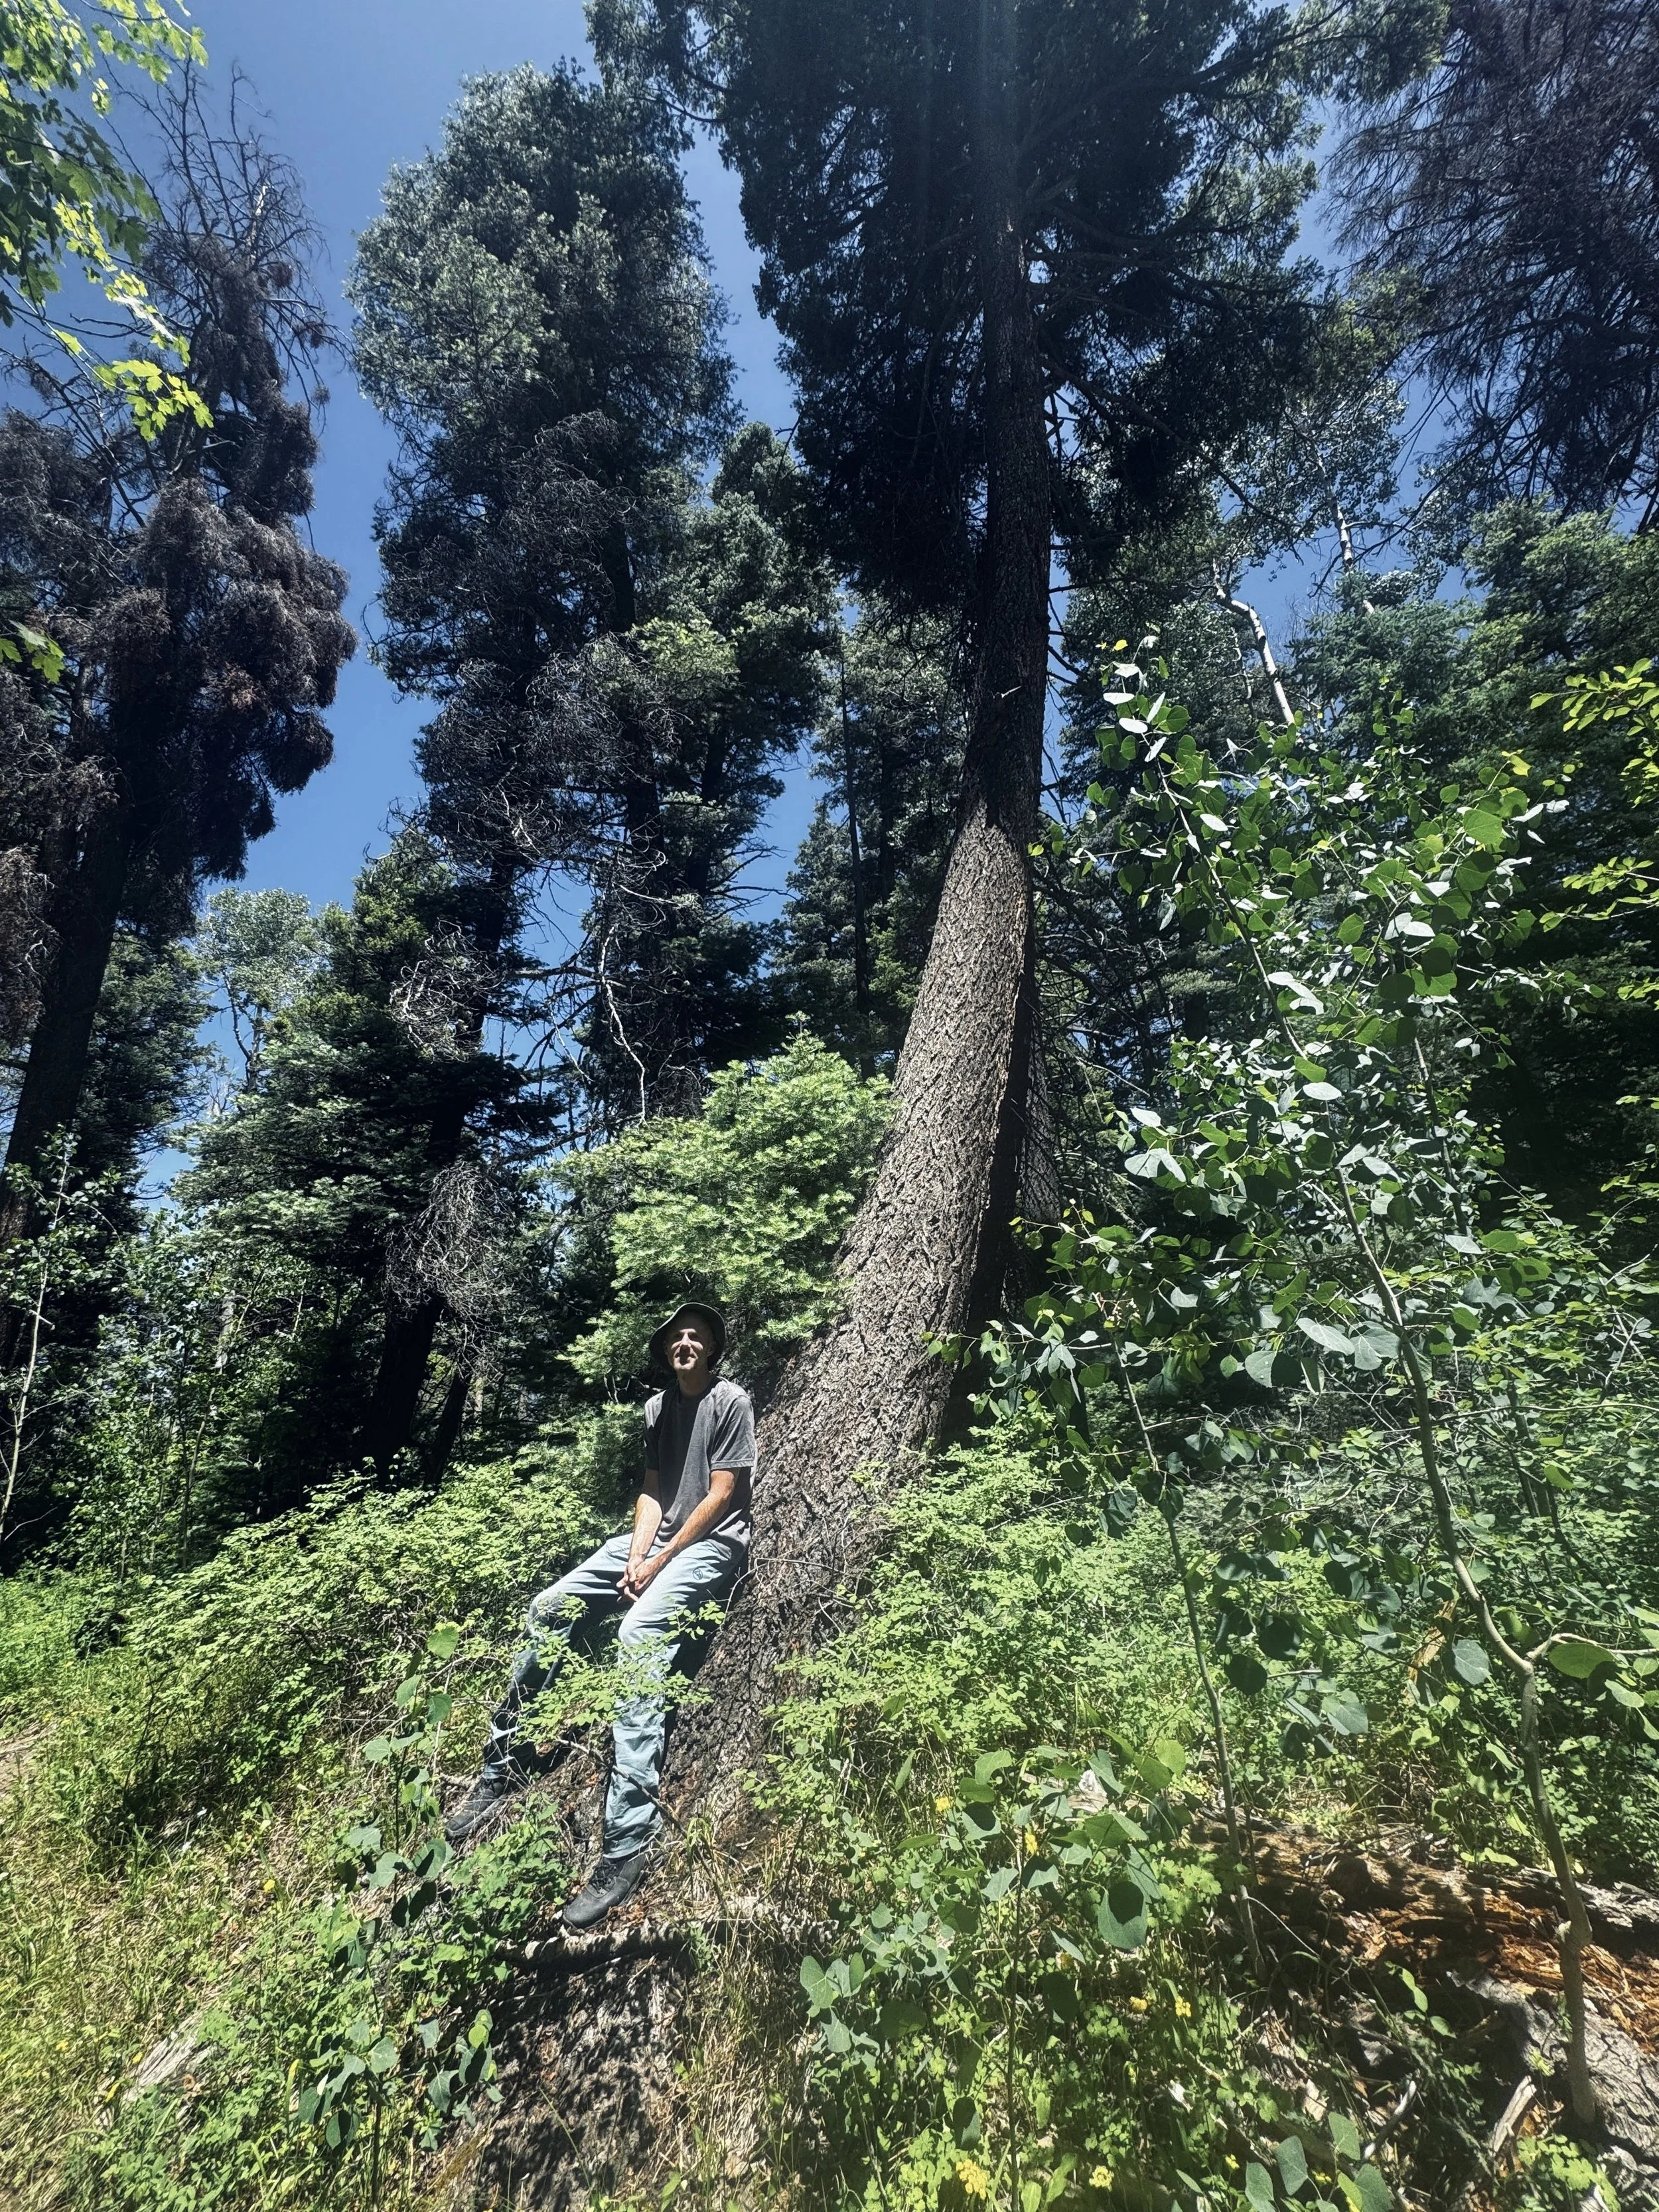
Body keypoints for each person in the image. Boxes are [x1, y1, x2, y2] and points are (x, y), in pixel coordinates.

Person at [444, 1301, 754, 1929]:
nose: (686, 1343)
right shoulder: (658, 1408)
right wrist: (636, 1557)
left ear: (713, 1347)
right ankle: (503, 1765)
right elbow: (650, 1490)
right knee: (548, 1606)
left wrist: (660, 1559)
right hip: (658, 1542)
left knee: (637, 1632)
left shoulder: (731, 1402)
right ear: (666, 1349)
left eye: (697, 1335)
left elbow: (722, 1495)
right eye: (677, 1336)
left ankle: (626, 1842)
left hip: (713, 1546)